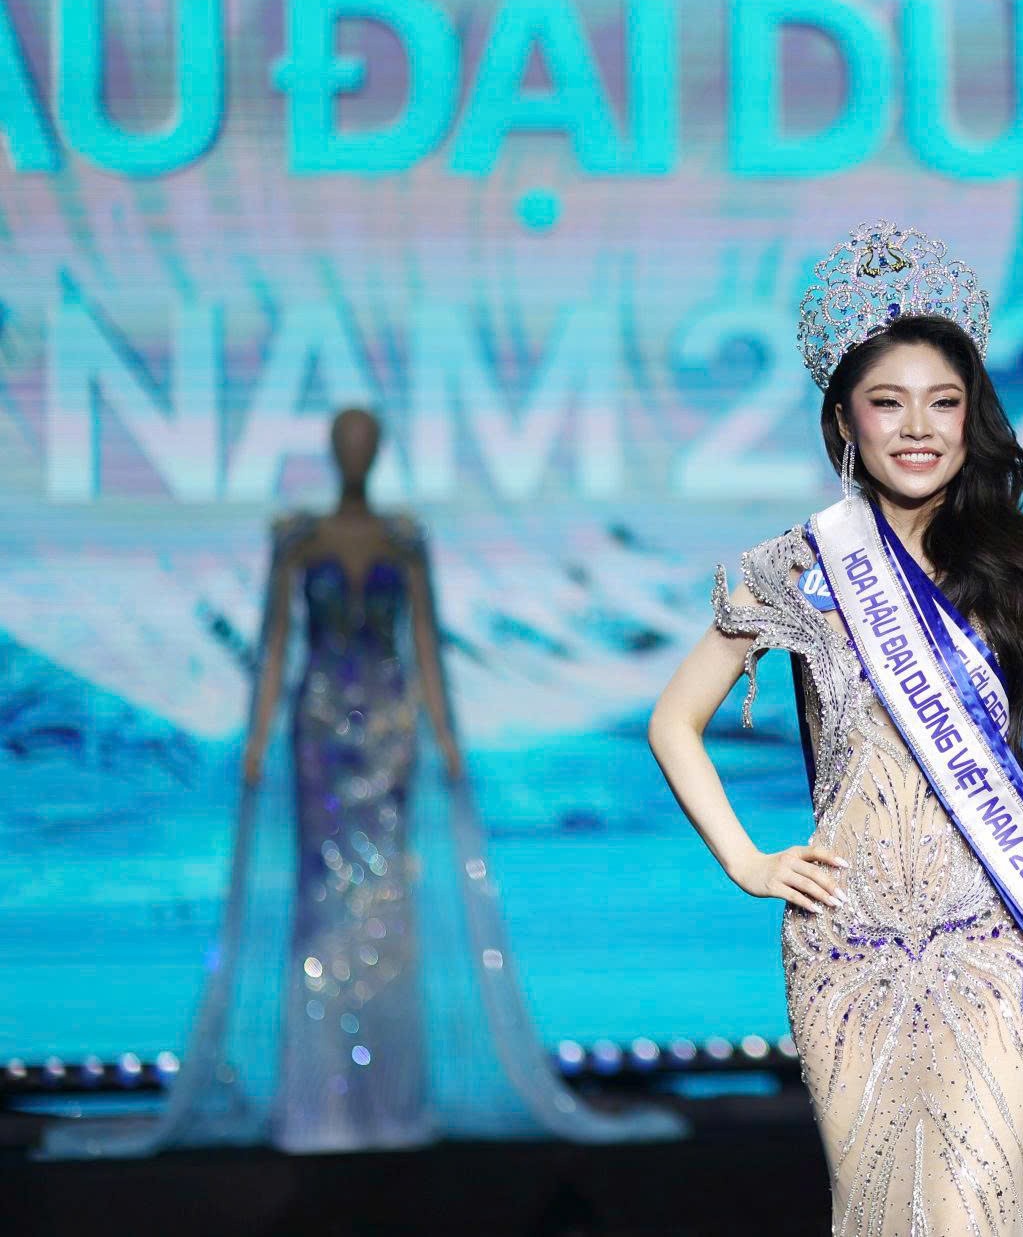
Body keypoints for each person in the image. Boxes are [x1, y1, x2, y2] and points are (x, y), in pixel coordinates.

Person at [648, 220, 1023, 1234]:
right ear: (845, 419)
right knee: (876, 1210)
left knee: (976, 1205)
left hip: (993, 939)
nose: (917, 427)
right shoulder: (799, 567)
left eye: (944, 402)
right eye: (888, 402)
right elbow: (674, 720)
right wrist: (749, 862)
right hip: (844, 950)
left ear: (973, 417)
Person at [39, 409, 683, 1157]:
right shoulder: (299, 540)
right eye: (347, 442)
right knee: (321, 907)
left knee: (383, 907)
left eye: (366, 441)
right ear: (333, 451)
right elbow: (275, 643)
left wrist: (446, 738)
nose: (356, 452)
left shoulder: (403, 541)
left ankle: (383, 1100)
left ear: (375, 452)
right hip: (319, 734)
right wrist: (256, 738)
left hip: (387, 728)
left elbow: (426, 644)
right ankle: (322, 1103)